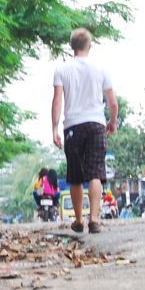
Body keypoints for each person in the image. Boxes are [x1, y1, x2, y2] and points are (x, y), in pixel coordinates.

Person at [51, 27, 118, 234]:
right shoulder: (101, 69)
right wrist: (112, 122)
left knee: (75, 175)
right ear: (90, 46)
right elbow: (113, 103)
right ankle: (95, 219)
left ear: (71, 46)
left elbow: (57, 101)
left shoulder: (62, 70)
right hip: (96, 124)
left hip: (72, 125)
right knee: (96, 172)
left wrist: (54, 127)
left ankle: (79, 220)